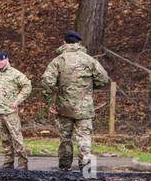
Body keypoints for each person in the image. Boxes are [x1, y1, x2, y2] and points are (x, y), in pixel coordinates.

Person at [41, 30, 109, 171]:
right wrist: (88, 87)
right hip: (84, 107)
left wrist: (50, 101)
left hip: (64, 107)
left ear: (64, 42)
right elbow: (103, 79)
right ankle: (86, 168)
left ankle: (64, 167)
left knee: (65, 138)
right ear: (79, 43)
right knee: (84, 137)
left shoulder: (59, 61)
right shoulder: (89, 60)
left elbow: (47, 81)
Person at [0, 51, 32, 169]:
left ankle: (22, 162)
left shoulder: (15, 74)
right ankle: (8, 161)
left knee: (16, 137)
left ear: (7, 60)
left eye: (2, 60)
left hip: (10, 111)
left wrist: (17, 101)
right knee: (4, 138)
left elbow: (27, 86)